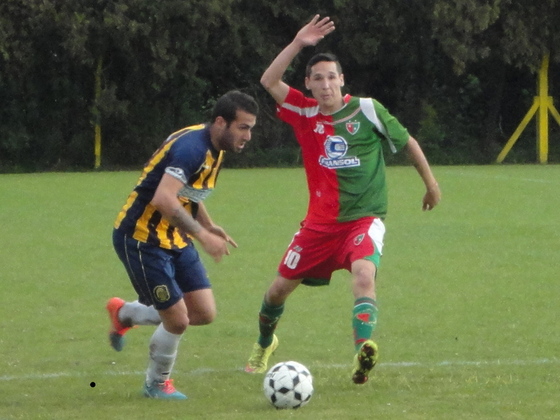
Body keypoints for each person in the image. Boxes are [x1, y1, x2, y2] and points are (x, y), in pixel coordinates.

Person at [244, 15, 441, 384]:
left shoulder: (367, 110)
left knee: (365, 275)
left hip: (363, 219)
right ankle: (264, 343)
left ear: (342, 79)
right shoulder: (304, 111)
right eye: (317, 78)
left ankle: (361, 353)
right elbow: (269, 81)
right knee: (276, 291)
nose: (325, 84)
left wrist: (430, 184)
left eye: (331, 76)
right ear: (308, 83)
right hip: (318, 227)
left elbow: (407, 142)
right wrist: (299, 43)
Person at [106, 90, 258, 399]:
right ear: (220, 122)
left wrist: (207, 224)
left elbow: (186, 193)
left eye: (251, 127)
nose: (248, 135)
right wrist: (203, 237)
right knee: (176, 320)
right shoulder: (192, 148)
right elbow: (163, 198)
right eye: (243, 127)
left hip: (174, 236)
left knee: (203, 313)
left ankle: (125, 314)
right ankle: (156, 384)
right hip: (142, 238)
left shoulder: (216, 147)